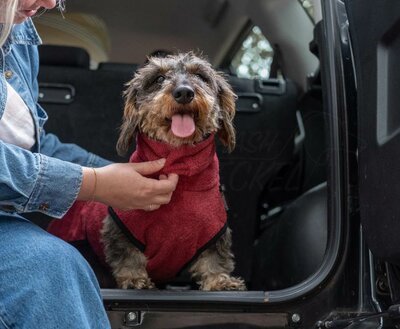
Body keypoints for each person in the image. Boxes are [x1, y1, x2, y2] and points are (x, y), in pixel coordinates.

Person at [0, 0, 179, 328]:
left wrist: (127, 175)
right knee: (49, 269)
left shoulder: (20, 34)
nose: (50, 3)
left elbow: (33, 146)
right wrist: (95, 184)